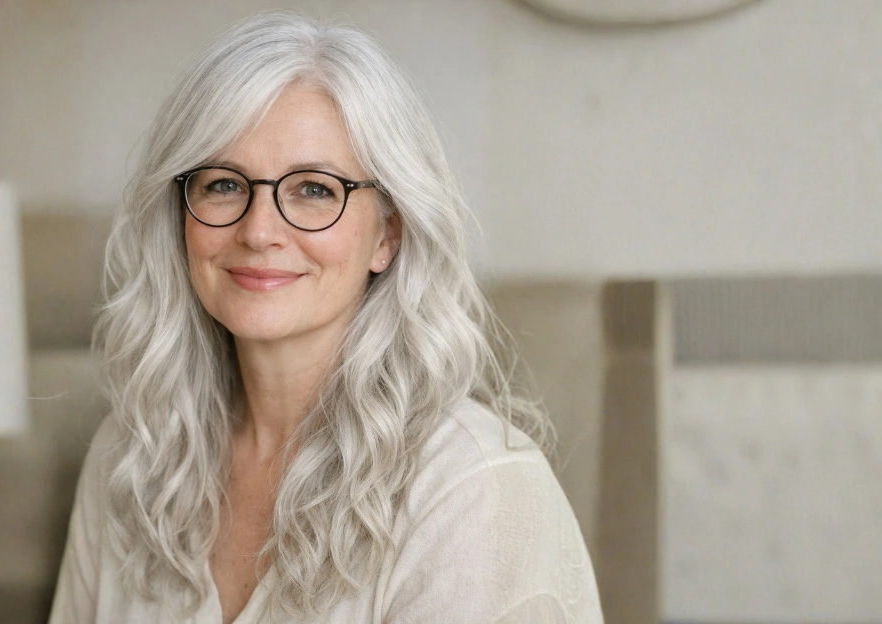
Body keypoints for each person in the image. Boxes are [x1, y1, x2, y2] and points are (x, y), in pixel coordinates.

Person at [49, 11, 603, 624]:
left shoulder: (478, 489)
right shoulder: (129, 459)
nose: (259, 231)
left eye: (314, 189)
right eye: (223, 184)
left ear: (387, 233)